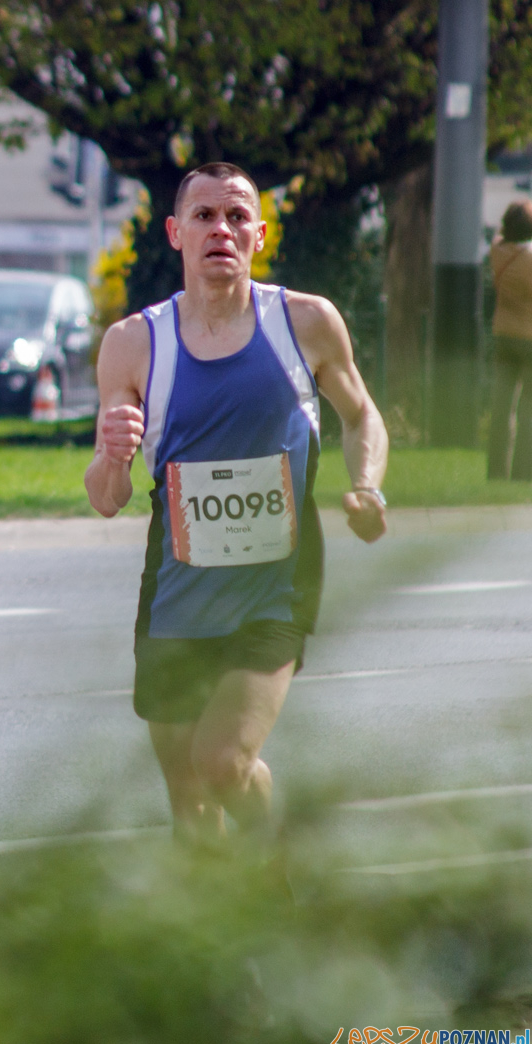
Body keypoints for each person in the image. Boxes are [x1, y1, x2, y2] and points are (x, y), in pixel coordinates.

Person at [84, 162, 389, 857]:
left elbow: (361, 415)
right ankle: (220, 920)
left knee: (223, 761)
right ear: (175, 233)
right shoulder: (133, 343)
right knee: (189, 800)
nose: (220, 228)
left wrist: (367, 486)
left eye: (236, 216)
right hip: (177, 594)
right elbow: (107, 498)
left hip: (275, 585)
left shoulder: (305, 322)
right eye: (204, 216)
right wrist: (111, 455)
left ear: (259, 234)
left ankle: (273, 872)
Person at [488, 199, 532, 480]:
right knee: (528, 408)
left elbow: (499, 236)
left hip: (503, 334)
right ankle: (523, 472)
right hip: (529, 338)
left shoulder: (497, 252)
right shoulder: (529, 260)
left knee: (502, 407)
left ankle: (496, 471)